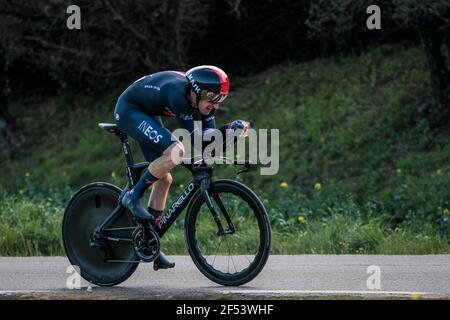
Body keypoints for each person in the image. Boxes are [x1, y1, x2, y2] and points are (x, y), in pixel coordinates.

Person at [114, 66, 250, 268]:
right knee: (176, 151)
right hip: (129, 110)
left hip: (147, 112)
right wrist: (227, 129)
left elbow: (209, 141)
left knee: (164, 178)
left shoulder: (202, 102)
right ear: (197, 91)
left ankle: (149, 240)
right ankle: (132, 196)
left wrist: (231, 137)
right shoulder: (178, 94)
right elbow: (196, 140)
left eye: (220, 100)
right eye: (213, 99)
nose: (216, 106)